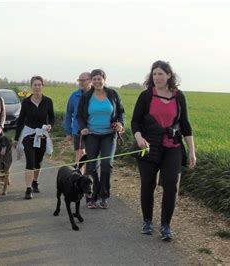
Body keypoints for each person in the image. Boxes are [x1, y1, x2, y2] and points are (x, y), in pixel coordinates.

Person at [131, 60, 196, 241]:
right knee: (148, 184)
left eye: (160, 73)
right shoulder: (146, 96)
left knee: (171, 186)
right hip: (149, 146)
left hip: (172, 147)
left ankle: (166, 226)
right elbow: (135, 121)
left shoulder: (179, 96)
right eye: (154, 74)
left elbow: (185, 125)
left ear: (169, 75)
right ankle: (147, 221)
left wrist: (192, 151)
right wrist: (138, 137)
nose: (157, 77)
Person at [78, 69, 125, 209]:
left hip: (109, 135)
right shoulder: (86, 96)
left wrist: (120, 124)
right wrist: (83, 127)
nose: (97, 81)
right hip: (91, 134)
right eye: (95, 79)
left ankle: (103, 196)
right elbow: (80, 116)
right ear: (91, 81)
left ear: (104, 79)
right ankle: (92, 196)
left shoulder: (113, 94)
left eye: (100, 78)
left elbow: (121, 112)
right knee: (91, 166)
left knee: (106, 164)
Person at [14, 76, 55, 200]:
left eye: (39, 85)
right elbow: (21, 120)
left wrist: (50, 125)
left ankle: (35, 181)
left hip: (42, 134)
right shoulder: (26, 102)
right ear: (31, 86)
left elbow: (52, 118)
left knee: (38, 161)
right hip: (28, 134)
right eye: (35, 85)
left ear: (43, 86)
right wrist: (16, 138)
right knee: (30, 161)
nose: (37, 87)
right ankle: (28, 189)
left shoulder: (48, 101)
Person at [64, 72, 91, 164]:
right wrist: (68, 132)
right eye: (79, 80)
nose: (81, 82)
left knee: (91, 156)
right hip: (77, 130)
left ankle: (88, 176)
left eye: (83, 80)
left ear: (90, 81)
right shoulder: (74, 96)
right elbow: (68, 114)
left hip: (93, 130)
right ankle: (79, 176)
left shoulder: (96, 95)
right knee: (80, 154)